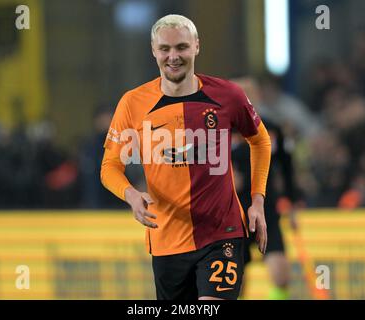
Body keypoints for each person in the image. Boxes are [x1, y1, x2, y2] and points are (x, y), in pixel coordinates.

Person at [100, 14, 271, 300]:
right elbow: (110, 166)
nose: (173, 56)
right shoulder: (133, 103)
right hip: (167, 239)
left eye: (181, 47)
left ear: (196, 47)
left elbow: (260, 141)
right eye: (165, 49)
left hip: (222, 232)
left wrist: (257, 200)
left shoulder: (228, 95)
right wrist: (129, 194)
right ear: (154, 51)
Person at [232, 77, 300, 300]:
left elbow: (287, 169)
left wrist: (292, 204)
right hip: (233, 214)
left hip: (266, 211)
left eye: (248, 93)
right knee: (235, 283)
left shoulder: (273, 130)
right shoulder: (218, 132)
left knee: (280, 275)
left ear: (257, 96)